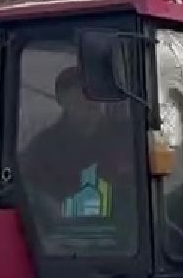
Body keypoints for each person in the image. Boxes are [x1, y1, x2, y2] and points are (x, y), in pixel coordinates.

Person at [17, 63, 137, 252]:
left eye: (97, 92)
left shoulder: (128, 137)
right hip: (69, 243)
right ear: (63, 99)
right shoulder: (44, 146)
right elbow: (25, 185)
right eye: (84, 92)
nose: (92, 99)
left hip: (129, 242)